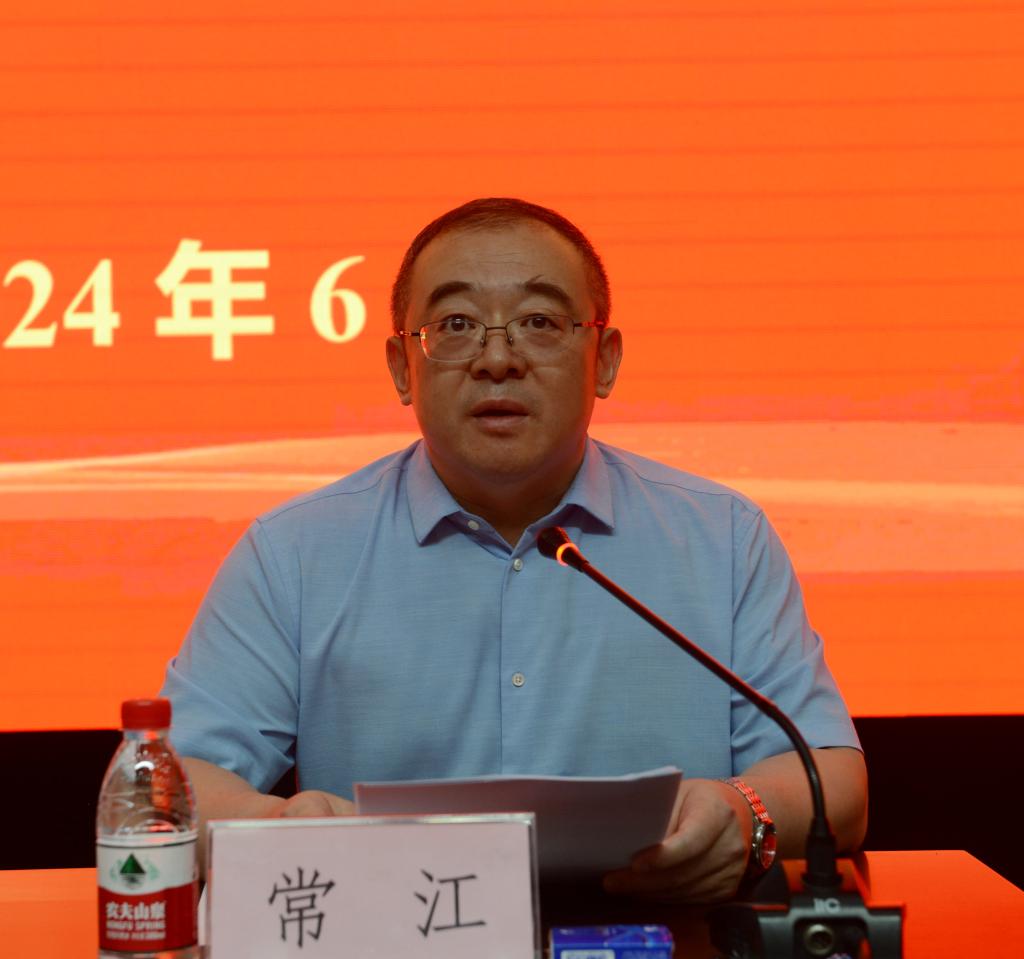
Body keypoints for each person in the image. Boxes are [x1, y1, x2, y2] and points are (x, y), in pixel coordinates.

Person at [161, 197, 866, 903]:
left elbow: (831, 778)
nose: (497, 360)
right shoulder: (295, 553)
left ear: (605, 360)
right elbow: (165, 785)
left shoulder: (722, 537)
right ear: (402, 367)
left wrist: (749, 814)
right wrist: (279, 826)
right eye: (456, 325)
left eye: (539, 322)